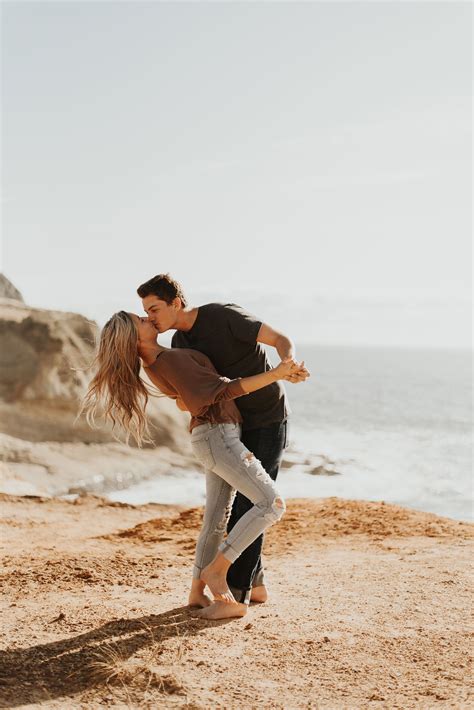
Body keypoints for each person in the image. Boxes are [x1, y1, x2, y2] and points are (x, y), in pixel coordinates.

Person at [82, 311, 308, 619]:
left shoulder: (156, 363)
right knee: (272, 503)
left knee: (216, 517)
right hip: (220, 438)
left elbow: (184, 399)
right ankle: (218, 571)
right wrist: (275, 375)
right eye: (141, 320)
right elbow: (225, 390)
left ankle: (196, 591)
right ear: (135, 338)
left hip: (209, 437)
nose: (148, 319)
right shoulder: (169, 360)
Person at [137, 274, 310, 605]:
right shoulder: (179, 346)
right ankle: (255, 586)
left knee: (251, 502)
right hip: (232, 424)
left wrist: (287, 364)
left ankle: (240, 591)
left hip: (268, 415)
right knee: (249, 502)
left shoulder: (222, 315)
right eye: (146, 311)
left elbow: (279, 338)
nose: (151, 317)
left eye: (155, 308)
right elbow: (188, 396)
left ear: (176, 303)